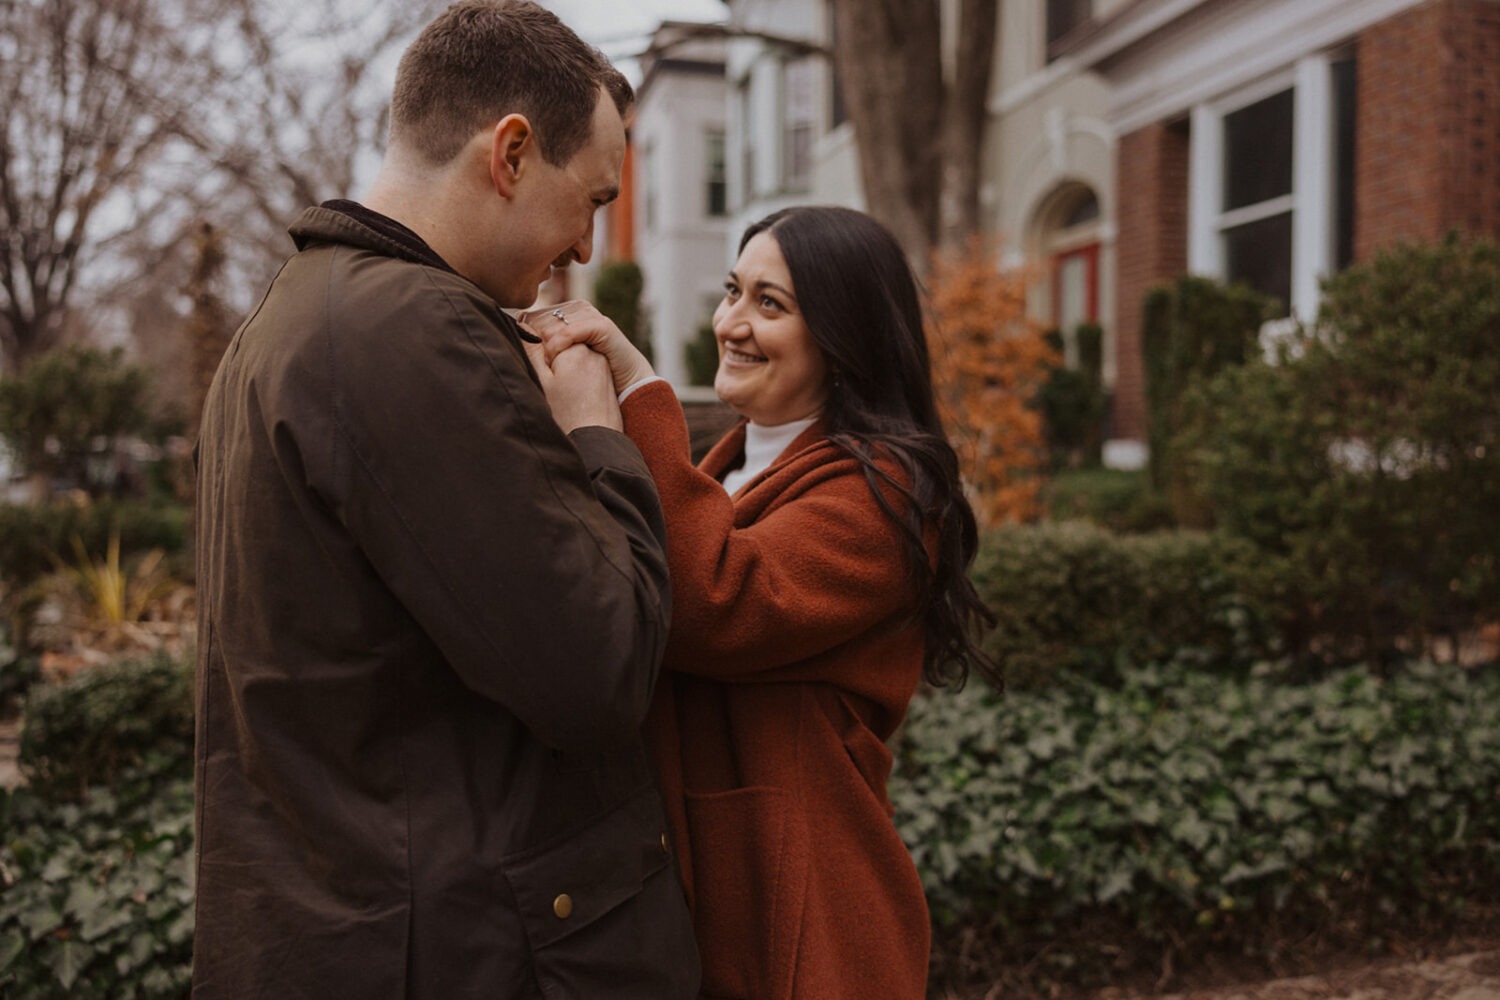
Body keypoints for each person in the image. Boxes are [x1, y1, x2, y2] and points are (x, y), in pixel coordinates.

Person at [190, 2, 699, 997]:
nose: (587, 248)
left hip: (358, 929)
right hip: (464, 951)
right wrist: (600, 431)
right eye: (590, 199)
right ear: (510, 152)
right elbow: (599, 669)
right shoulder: (415, 334)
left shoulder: (289, 321)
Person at [525, 205, 999, 1000]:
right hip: (704, 895)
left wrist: (639, 392)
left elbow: (714, 601)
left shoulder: (889, 495)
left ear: (844, 339)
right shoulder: (731, 467)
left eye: (769, 305)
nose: (732, 324)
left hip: (805, 919)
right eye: (732, 291)